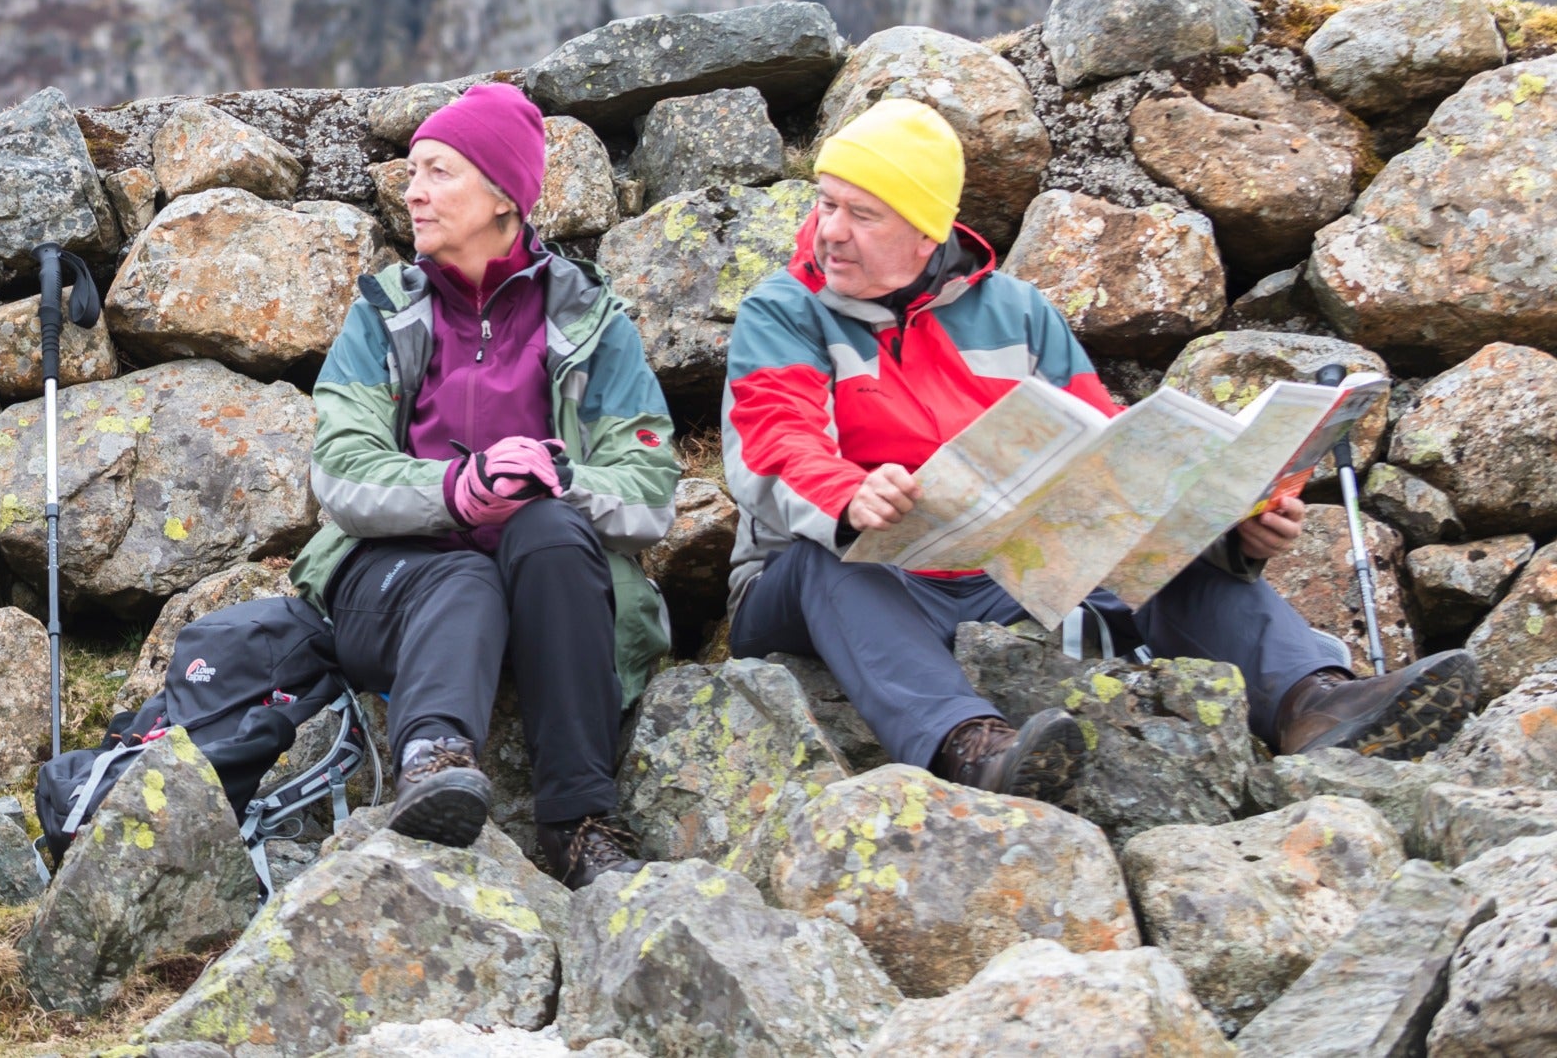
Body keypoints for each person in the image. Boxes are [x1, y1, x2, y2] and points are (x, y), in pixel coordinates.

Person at [723, 100, 1482, 801]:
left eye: (862, 213)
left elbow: (1115, 462)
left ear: (928, 232)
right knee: (833, 562)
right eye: (826, 203)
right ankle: (971, 746)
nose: (830, 231)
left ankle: (1313, 701)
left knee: (1150, 549)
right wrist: (848, 497)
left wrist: (1231, 533)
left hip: (996, 571)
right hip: (825, 576)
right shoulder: (782, 310)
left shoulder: (1019, 313)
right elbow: (772, 438)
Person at [290, 83, 681, 888]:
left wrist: (555, 478)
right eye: (412, 173)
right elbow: (342, 471)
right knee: (463, 571)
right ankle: (431, 764)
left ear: (504, 195)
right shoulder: (384, 314)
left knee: (547, 529)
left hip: (550, 579)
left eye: (438, 171)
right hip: (394, 578)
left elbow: (650, 490)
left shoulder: (590, 321)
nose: (414, 192)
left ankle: (578, 821)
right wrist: (459, 489)